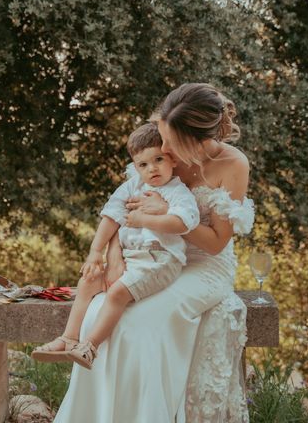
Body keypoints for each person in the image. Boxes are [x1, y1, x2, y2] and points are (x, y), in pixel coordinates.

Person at [53, 83, 255, 422]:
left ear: (194, 139)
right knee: (101, 309)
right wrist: (114, 255)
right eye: (161, 135)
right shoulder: (156, 150)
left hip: (203, 267)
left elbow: (218, 241)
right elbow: (123, 209)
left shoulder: (233, 164)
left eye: (170, 142)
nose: (162, 148)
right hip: (149, 256)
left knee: (137, 324)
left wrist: (169, 215)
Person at [31, 123, 199, 369]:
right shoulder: (133, 186)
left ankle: (89, 346)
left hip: (160, 259)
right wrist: (95, 253)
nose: (152, 168)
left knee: (117, 292)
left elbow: (183, 222)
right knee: (88, 281)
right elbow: (111, 216)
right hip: (131, 256)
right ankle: (67, 339)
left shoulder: (178, 192)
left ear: (172, 159)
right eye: (143, 164)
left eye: (158, 160)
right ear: (135, 166)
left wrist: (145, 219)